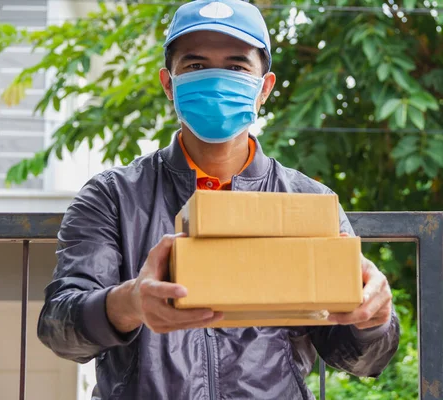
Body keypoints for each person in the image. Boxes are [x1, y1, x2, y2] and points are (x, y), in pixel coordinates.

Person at [37, 1, 400, 399]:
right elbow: (60, 328)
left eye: (236, 66)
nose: (216, 80)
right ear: (168, 84)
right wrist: (130, 303)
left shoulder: (309, 201)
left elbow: (364, 360)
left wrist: (375, 317)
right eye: (194, 66)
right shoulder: (112, 196)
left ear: (264, 88)